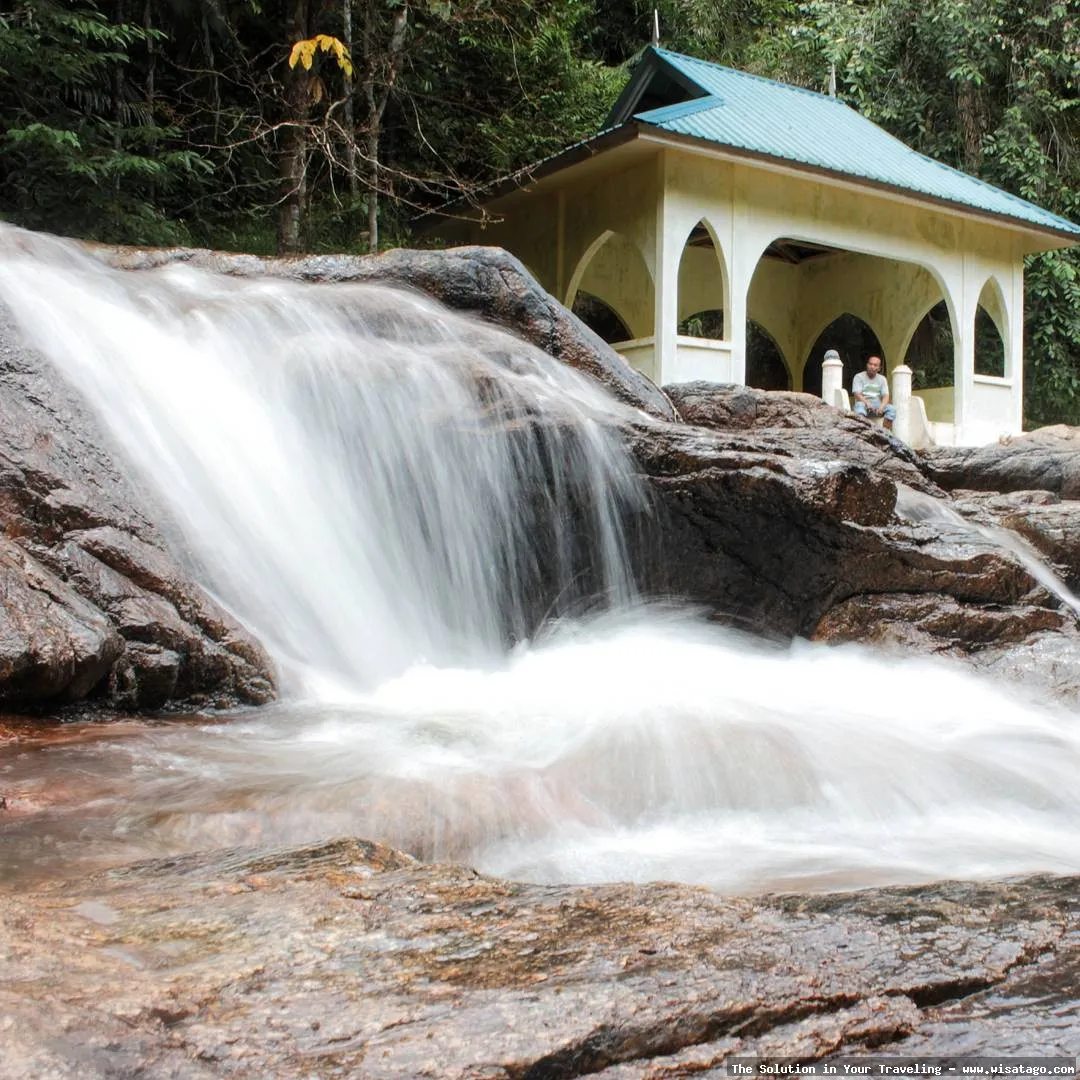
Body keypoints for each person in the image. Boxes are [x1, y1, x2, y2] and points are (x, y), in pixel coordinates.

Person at [851, 355, 895, 430]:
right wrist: (867, 403)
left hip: (877, 406)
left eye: (875, 365)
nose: (872, 366)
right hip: (863, 404)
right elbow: (857, 394)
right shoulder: (858, 377)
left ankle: (885, 434)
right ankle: (862, 432)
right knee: (859, 407)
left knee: (891, 409)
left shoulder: (882, 379)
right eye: (870, 364)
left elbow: (886, 395)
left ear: (879, 368)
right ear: (867, 365)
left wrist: (882, 406)